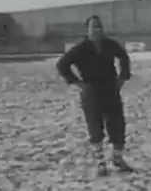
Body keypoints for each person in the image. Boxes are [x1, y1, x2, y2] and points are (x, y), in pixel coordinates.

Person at [56, 15, 134, 177]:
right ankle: (101, 164)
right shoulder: (81, 48)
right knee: (95, 127)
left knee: (117, 124)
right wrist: (77, 83)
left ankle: (118, 158)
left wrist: (122, 78)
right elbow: (62, 64)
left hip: (111, 88)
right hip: (91, 90)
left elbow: (124, 57)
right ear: (88, 30)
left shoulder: (110, 44)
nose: (98, 30)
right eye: (94, 27)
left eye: (100, 26)